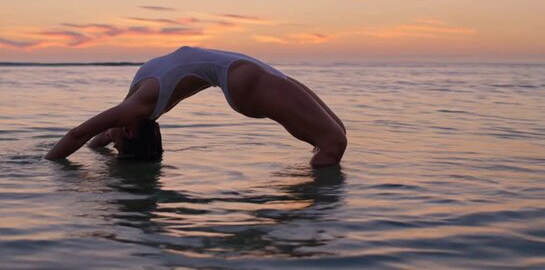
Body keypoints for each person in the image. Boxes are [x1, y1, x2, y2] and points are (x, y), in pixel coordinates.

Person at [45, 46, 347, 168]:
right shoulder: (136, 109)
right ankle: (316, 220)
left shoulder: (135, 114)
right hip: (245, 78)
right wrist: (49, 161)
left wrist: (102, 146)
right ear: (128, 130)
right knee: (333, 143)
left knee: (334, 137)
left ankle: (312, 194)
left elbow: (96, 138)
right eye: (117, 137)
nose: (109, 134)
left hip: (250, 72)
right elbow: (77, 134)